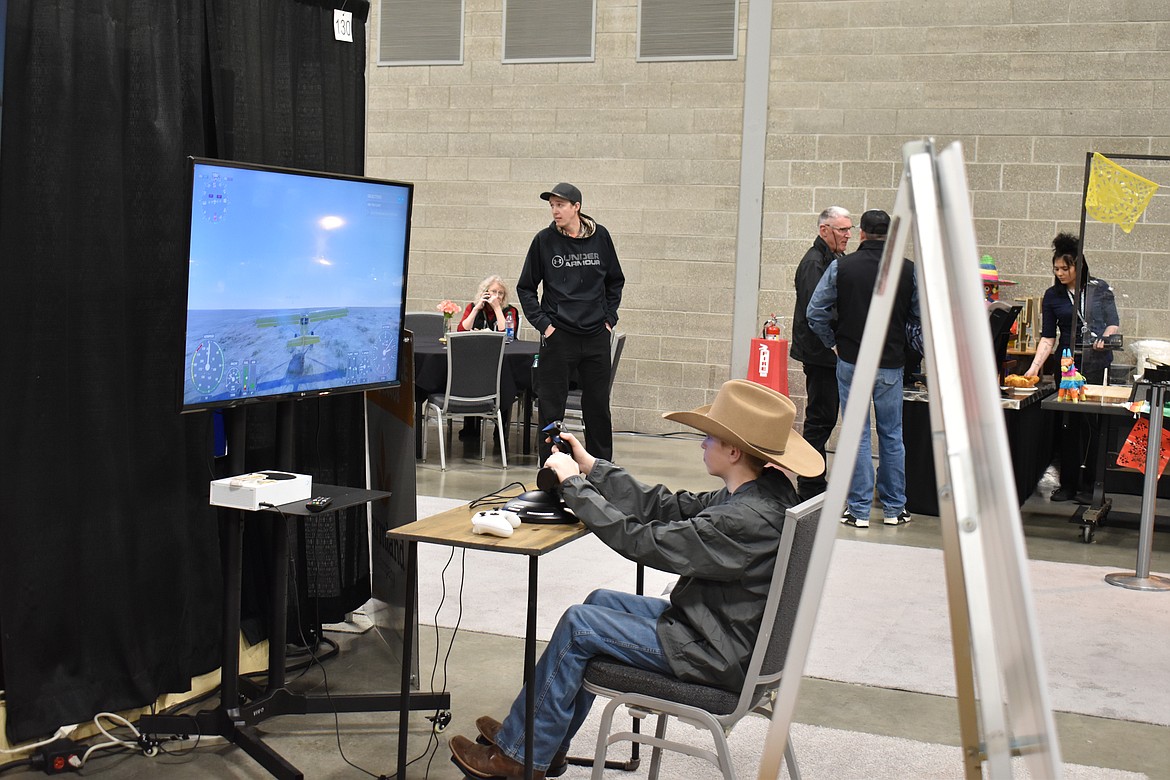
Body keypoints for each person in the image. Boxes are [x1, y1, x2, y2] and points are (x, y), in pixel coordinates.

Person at [446, 379, 823, 780]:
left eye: (709, 437)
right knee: (598, 602)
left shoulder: (739, 520)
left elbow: (644, 541)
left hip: (714, 653)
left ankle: (521, 758)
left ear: (733, 450)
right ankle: (544, 745)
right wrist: (591, 467)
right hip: (722, 631)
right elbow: (668, 506)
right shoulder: (763, 492)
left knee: (579, 625)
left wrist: (574, 486)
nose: (701, 444)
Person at [806, 209, 919, 528]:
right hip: (890, 364)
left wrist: (833, 342)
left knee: (856, 434)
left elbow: (815, 311)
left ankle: (858, 510)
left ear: (862, 234)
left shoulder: (841, 267)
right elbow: (919, 317)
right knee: (892, 435)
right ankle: (895, 509)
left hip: (851, 360)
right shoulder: (908, 270)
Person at [517, 182, 625, 462]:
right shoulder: (544, 240)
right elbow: (526, 288)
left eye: (561, 205)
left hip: (595, 336)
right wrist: (545, 325)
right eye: (552, 205)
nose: (555, 211)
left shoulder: (601, 237)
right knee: (551, 411)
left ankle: (603, 472)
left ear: (577, 207)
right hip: (559, 336)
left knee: (598, 409)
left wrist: (609, 319)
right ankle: (551, 470)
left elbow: (615, 281)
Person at [1024, 233, 1121, 502]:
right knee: (1067, 423)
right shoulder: (1052, 295)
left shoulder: (1099, 289)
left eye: (1065, 268)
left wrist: (1105, 337)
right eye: (1056, 269)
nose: (1060, 273)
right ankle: (1067, 484)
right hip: (1067, 366)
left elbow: (1113, 323)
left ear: (1078, 265)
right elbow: (1048, 337)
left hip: (1096, 363)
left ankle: (1091, 484)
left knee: (1093, 424)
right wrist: (1034, 369)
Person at [790, 206, 852, 501]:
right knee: (819, 420)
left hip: (827, 353)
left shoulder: (834, 258)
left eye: (850, 229)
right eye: (842, 229)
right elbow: (818, 310)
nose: (848, 235)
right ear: (823, 229)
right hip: (820, 354)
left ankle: (814, 478)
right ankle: (811, 483)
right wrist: (834, 342)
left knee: (824, 418)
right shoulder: (814, 263)